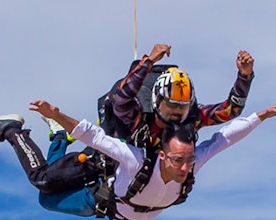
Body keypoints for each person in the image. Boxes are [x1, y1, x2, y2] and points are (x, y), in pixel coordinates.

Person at [0, 99, 276, 220]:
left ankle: (57, 137)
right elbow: (94, 136)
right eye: (179, 161)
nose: (185, 168)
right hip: (100, 175)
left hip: (106, 207)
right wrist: (57, 113)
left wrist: (262, 115)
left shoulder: (194, 160)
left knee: (46, 198)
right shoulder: (136, 160)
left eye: (188, 161)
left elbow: (226, 138)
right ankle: (12, 130)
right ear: (165, 154)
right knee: (41, 182)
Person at [97, 43, 255, 148]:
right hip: (117, 184)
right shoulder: (138, 116)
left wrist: (244, 77)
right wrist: (149, 61)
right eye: (171, 105)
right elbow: (122, 98)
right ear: (157, 100)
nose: (177, 112)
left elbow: (230, 110)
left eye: (183, 106)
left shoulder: (192, 118)